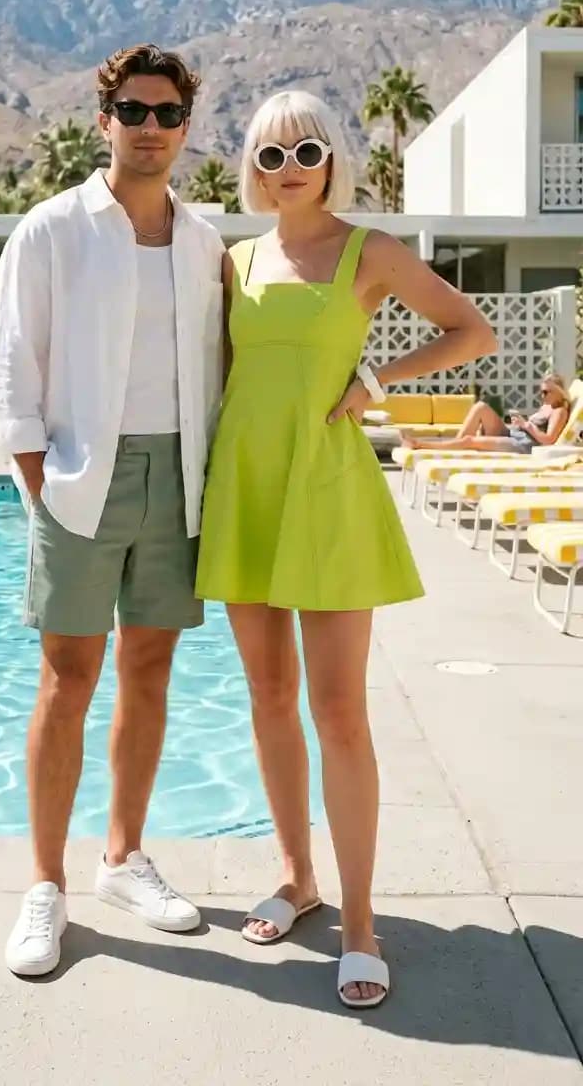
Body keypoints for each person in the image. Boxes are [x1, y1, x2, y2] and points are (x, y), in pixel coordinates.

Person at [195, 90, 496, 1009]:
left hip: (327, 491)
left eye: (306, 152)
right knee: (269, 698)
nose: (289, 170)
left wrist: (375, 380)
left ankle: (359, 921)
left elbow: (472, 331)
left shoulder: (372, 252)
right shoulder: (234, 262)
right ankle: (298, 879)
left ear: (333, 160)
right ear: (252, 167)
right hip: (247, 490)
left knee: (339, 713)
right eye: (270, 155)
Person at [0, 44, 225, 977]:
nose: (150, 128)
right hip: (81, 475)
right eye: (133, 111)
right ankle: (45, 885)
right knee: (67, 680)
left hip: (179, 477)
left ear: (186, 128)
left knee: (150, 671)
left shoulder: (203, 243)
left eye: (167, 113)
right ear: (104, 120)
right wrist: (42, 480)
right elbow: (13, 364)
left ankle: (123, 859)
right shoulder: (51, 230)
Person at [401, 373, 570, 453]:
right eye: (541, 392)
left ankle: (420, 445)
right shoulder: (547, 406)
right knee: (481, 407)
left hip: (523, 445)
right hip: (514, 433)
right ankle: (453, 447)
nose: (542, 396)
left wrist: (526, 425)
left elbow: (548, 440)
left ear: (558, 392)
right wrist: (520, 424)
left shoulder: (559, 411)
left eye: (546, 392)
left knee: (469, 440)